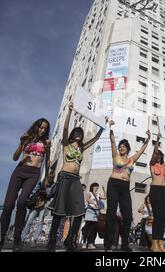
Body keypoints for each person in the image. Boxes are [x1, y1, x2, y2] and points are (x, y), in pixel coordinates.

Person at [46, 101, 104, 252]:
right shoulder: (66, 144)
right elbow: (65, 129)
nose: (79, 134)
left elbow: (96, 139)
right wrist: (70, 111)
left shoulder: (82, 148)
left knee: (79, 212)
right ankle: (51, 242)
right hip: (65, 177)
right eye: (76, 132)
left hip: (76, 180)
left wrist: (103, 126)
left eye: (81, 133)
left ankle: (70, 240)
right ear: (73, 135)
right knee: (59, 211)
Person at [0, 118, 51, 252]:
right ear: (36, 127)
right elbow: (15, 157)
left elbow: (47, 161)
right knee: (8, 206)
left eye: (45, 128)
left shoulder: (46, 143)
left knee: (22, 202)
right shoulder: (27, 138)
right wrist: (21, 143)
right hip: (20, 171)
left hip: (34, 173)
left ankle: (17, 238)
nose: (42, 130)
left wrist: (47, 177)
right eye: (40, 127)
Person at [104, 120, 150, 252]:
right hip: (113, 184)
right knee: (111, 214)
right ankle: (109, 244)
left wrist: (148, 139)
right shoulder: (115, 156)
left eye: (124, 146)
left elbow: (141, 151)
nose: (121, 148)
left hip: (125, 187)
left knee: (128, 216)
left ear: (128, 148)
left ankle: (124, 244)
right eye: (120, 146)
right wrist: (111, 127)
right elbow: (112, 141)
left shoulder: (132, 159)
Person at [84, 183, 106, 249]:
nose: (97, 188)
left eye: (98, 187)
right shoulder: (89, 193)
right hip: (90, 211)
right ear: (92, 187)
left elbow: (105, 197)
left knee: (93, 229)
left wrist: (104, 189)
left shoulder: (98, 194)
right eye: (96, 186)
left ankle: (91, 243)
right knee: (87, 227)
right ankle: (85, 242)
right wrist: (94, 203)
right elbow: (87, 199)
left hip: (96, 213)